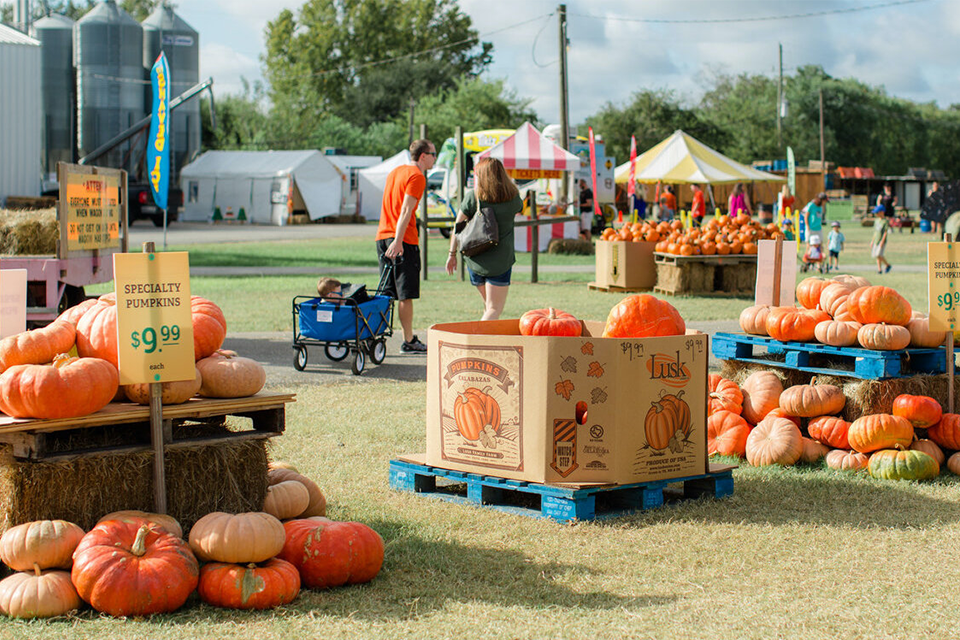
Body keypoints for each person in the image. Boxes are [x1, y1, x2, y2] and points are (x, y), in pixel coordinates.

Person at [375, 138, 436, 353]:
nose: (434, 159)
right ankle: (408, 340)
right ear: (423, 156)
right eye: (433, 154)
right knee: (405, 294)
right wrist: (399, 240)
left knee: (385, 292)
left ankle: (375, 335)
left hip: (382, 235)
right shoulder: (417, 176)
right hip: (402, 240)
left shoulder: (395, 171)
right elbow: (406, 211)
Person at [446, 158, 524, 321]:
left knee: (488, 307)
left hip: (475, 259)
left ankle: (485, 342)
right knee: (493, 309)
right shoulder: (513, 197)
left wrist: (452, 254)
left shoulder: (473, 197)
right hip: (500, 262)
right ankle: (476, 341)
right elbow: (519, 208)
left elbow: (457, 227)